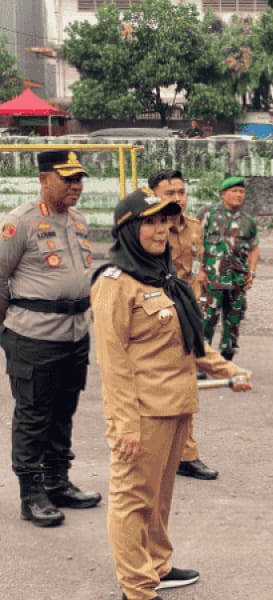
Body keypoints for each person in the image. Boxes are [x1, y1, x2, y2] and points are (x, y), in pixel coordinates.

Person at [91, 188, 252, 600]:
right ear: (127, 228)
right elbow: (113, 363)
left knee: (159, 498)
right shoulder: (116, 283)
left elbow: (191, 340)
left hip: (177, 407)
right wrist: (124, 425)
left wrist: (227, 369)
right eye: (149, 221)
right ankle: (137, 587)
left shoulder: (163, 278)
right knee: (131, 500)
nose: (160, 229)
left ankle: (157, 565)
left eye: (165, 221)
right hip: (142, 414)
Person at [0, 149, 101, 528]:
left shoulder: (78, 221)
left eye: (79, 180)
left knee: (63, 412)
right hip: (33, 337)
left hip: (74, 334)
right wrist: (4, 334)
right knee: (33, 416)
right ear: (44, 180)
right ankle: (31, 494)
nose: (76, 186)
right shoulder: (19, 223)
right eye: (68, 179)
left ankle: (58, 481)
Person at [148, 170, 218, 482]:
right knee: (155, 389)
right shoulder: (146, 230)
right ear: (153, 195)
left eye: (181, 192)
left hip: (187, 315)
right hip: (155, 319)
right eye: (169, 193)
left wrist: (200, 289)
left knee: (186, 388)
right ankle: (154, 454)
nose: (177, 198)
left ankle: (186, 455)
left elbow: (199, 262)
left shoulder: (194, 226)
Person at [201, 176, 259, 361]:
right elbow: (194, 242)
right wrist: (198, 270)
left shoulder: (248, 220)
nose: (238, 195)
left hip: (237, 279)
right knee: (207, 319)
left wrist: (252, 272)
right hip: (212, 279)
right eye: (234, 191)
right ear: (223, 194)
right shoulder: (208, 214)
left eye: (241, 191)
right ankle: (202, 359)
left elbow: (254, 247)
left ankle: (227, 358)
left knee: (233, 320)